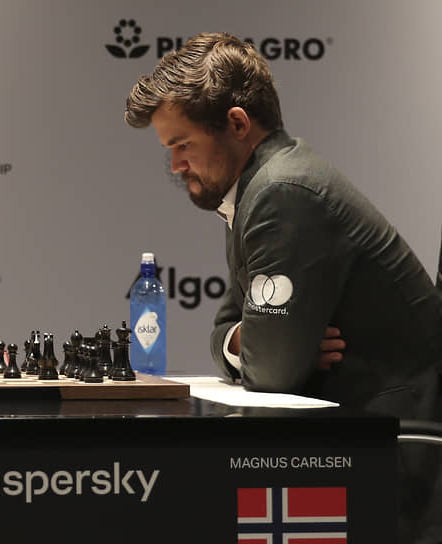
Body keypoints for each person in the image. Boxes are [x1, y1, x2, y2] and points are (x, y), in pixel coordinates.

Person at [125, 32, 442, 543]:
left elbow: (272, 369)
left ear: (237, 124)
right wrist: (253, 341)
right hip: (368, 445)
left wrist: (272, 347)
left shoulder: (281, 191)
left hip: (402, 457)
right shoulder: (256, 186)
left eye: (183, 145)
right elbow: (229, 329)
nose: (176, 165)